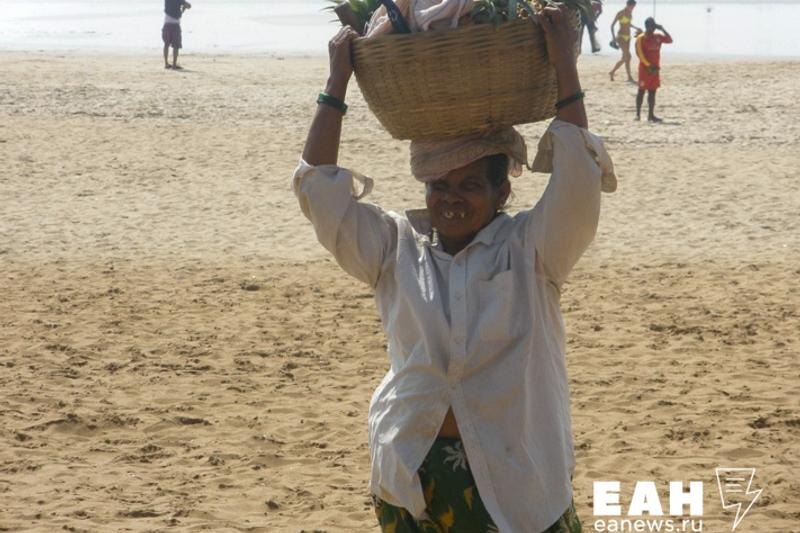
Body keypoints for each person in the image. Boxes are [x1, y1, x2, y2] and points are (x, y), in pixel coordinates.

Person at [293, 5, 616, 532]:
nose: (451, 199)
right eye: (440, 185)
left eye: (470, 185)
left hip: (518, 482)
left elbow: (578, 176)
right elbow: (319, 192)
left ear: (502, 190)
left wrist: (564, 63)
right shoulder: (395, 248)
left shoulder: (531, 250)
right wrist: (337, 83)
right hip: (408, 476)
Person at [635, 17, 673, 122]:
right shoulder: (641, 38)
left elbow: (670, 40)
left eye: (654, 25)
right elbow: (639, 54)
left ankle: (651, 115)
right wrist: (648, 66)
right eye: (651, 25)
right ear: (647, 26)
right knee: (641, 91)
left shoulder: (658, 37)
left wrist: (662, 29)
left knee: (652, 92)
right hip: (644, 70)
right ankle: (638, 114)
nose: (653, 28)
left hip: (655, 70)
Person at [608, 0, 640, 82]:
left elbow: (628, 24)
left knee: (624, 58)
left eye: (633, 7)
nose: (633, 9)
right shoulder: (620, 13)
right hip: (620, 37)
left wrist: (636, 28)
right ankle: (629, 77)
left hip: (628, 37)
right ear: (627, 5)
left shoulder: (630, 13)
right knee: (628, 56)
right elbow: (612, 25)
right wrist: (613, 38)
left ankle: (612, 72)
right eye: (632, 7)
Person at [162, 0, 192, 70]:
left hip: (167, 24)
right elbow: (189, 6)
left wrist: (182, 8)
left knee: (166, 44)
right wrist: (183, 8)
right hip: (175, 25)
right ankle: (174, 65)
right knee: (176, 46)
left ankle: (166, 63)